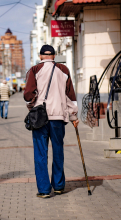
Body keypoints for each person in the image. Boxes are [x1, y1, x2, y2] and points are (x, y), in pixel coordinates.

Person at [24, 45, 79, 199]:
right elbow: (70, 96)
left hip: (40, 118)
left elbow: (28, 94)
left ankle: (44, 190)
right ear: (54, 56)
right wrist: (73, 116)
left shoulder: (34, 70)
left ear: (41, 56)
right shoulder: (64, 70)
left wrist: (32, 104)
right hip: (58, 118)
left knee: (40, 153)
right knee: (58, 151)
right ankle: (59, 186)